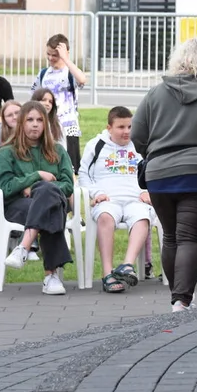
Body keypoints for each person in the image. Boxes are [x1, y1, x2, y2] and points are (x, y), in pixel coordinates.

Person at [131, 37, 197, 313]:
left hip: (159, 175)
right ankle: (181, 300)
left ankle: (177, 297)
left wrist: (155, 155)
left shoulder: (154, 94)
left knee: (171, 236)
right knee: (192, 238)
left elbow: (137, 135)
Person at [0, 101, 75, 295]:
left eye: (40, 120)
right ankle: (51, 276)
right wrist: (36, 176)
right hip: (18, 206)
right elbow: (5, 188)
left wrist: (40, 188)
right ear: (21, 123)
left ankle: (24, 246)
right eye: (30, 120)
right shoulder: (6, 152)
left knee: (47, 196)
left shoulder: (57, 151)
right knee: (50, 210)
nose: (35, 124)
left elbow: (68, 185)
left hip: (54, 201)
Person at [81, 106, 152, 293]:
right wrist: (95, 193)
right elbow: (83, 175)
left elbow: (154, 172)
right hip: (107, 198)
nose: (127, 132)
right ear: (109, 127)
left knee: (142, 218)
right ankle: (107, 274)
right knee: (105, 216)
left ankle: (127, 265)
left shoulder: (141, 145)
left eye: (130, 127)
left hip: (135, 199)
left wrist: (148, 191)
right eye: (121, 127)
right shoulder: (96, 145)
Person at [31, 34, 87, 174]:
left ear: (65, 53)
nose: (50, 58)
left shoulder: (70, 72)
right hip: (47, 126)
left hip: (68, 127)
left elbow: (82, 80)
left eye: (55, 55)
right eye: (48, 54)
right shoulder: (44, 73)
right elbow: (34, 97)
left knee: (70, 168)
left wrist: (66, 60)